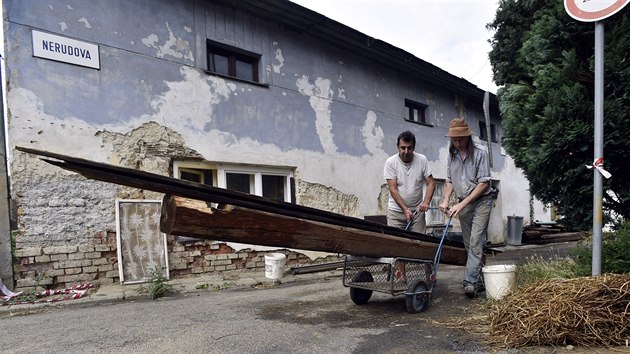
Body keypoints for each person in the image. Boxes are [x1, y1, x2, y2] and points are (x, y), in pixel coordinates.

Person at [439, 118, 493, 299]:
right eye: (453, 138)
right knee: (469, 244)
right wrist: (446, 200)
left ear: (467, 136)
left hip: (482, 201)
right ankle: (481, 280)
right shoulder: (452, 154)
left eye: (460, 138)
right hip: (463, 202)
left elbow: (484, 183)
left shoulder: (480, 152)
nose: (456, 142)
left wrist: (461, 204)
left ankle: (470, 283)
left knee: (477, 241)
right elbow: (448, 180)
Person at [384, 130, 435, 234]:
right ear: (398, 147)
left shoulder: (422, 160)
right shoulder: (391, 162)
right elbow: (393, 189)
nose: (406, 151)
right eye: (403, 148)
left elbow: (431, 183)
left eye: (409, 148)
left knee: (419, 243)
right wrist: (405, 210)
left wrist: (426, 202)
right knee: (396, 244)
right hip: (396, 213)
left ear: (414, 147)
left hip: (417, 213)